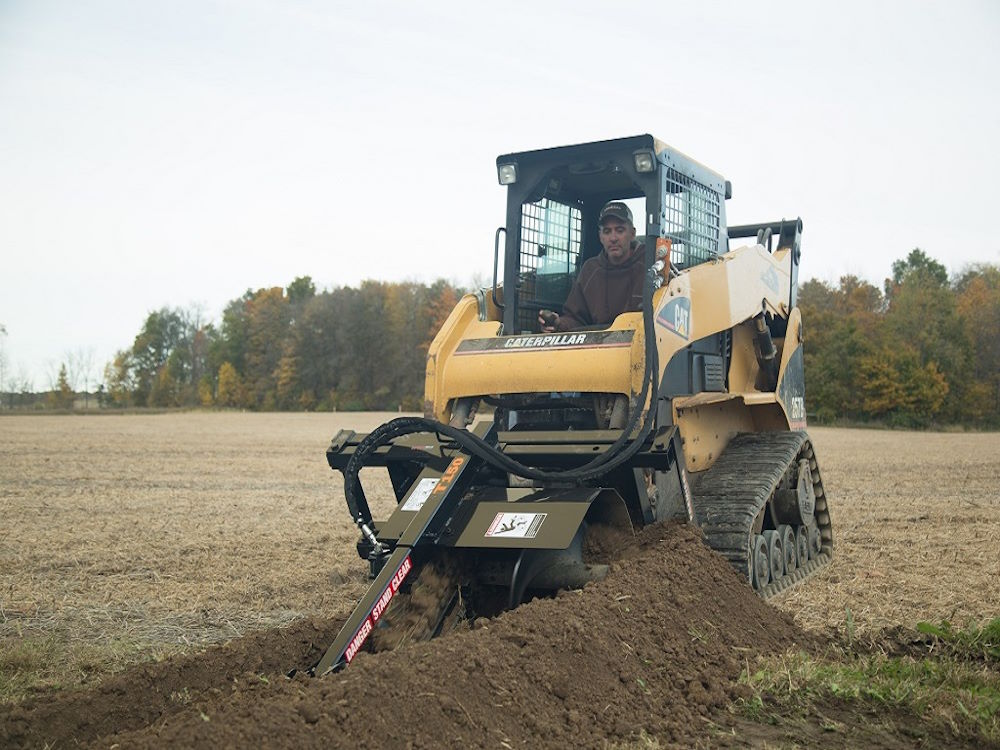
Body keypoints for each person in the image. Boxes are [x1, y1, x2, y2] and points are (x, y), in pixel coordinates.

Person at [538, 201, 645, 332]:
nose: (613, 238)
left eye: (620, 230)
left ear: (632, 233)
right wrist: (558, 324)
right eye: (607, 231)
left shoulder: (650, 265)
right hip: (598, 347)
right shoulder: (591, 270)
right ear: (600, 237)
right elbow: (576, 319)